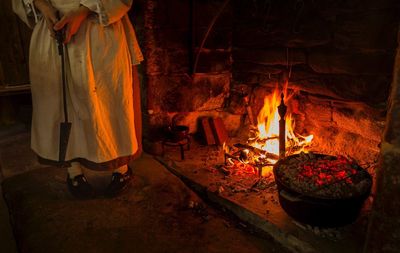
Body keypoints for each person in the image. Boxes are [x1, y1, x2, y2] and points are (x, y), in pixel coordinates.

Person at [12, 0, 144, 198]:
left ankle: (121, 168)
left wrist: (81, 12)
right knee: (62, 103)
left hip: (99, 27)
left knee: (109, 103)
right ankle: (74, 170)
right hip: (54, 28)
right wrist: (45, 8)